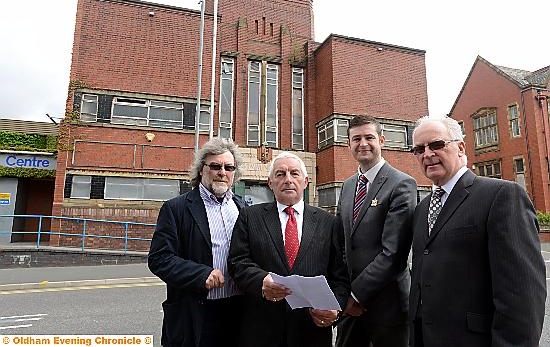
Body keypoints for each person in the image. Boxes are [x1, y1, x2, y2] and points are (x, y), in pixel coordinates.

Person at [409, 115, 546, 347]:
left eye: (436, 145)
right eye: (419, 149)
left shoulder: (501, 196)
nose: (427, 154)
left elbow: (522, 296)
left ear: (460, 147)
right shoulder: (422, 208)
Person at [228, 151, 349, 347]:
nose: (288, 180)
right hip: (261, 330)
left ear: (306, 181)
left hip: (311, 331)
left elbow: (340, 276)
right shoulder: (250, 217)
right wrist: (261, 280)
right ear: (270, 183)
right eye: (280, 174)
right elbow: (237, 262)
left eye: (294, 173)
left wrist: (335, 308)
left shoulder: (329, 222)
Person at [148, 137, 246, 347]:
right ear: (202, 169)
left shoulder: (243, 209)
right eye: (215, 166)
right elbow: (159, 259)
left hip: (238, 312)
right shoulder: (176, 208)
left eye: (229, 167)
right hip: (195, 315)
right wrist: (201, 274)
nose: (222, 172)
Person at [335, 115, 417, 347]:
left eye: (369, 137)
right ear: (348, 144)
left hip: (388, 307)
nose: (363, 143)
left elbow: (394, 254)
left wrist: (356, 294)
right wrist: (343, 292)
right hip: (350, 307)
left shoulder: (402, 184)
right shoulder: (348, 185)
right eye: (356, 138)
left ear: (381, 140)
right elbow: (342, 242)